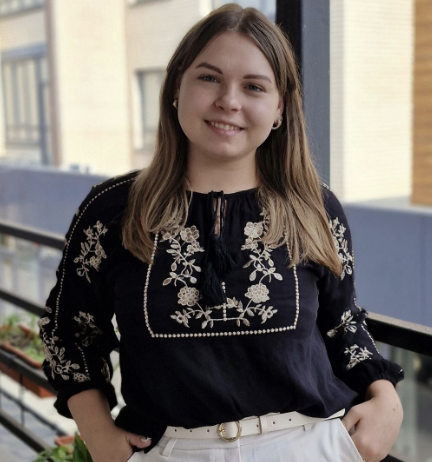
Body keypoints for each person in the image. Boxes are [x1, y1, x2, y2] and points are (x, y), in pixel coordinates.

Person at [39, 4, 404, 462]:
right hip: (171, 450)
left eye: (254, 86)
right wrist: (100, 436)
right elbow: (70, 332)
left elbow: (343, 321)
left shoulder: (314, 208)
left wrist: (386, 398)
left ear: (279, 108)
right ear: (176, 87)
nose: (229, 101)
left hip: (312, 445)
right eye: (209, 78)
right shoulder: (113, 211)